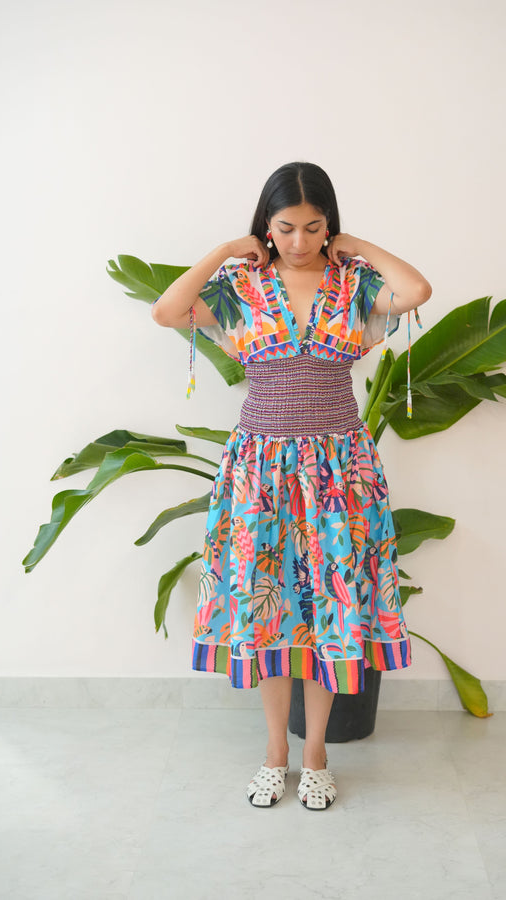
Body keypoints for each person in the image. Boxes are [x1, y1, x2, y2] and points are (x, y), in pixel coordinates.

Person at [152, 161, 431, 810]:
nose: (300, 241)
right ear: (266, 227)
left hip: (339, 474)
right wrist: (225, 249)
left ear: (329, 226)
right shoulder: (241, 287)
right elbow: (167, 311)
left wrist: (357, 247)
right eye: (286, 227)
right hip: (260, 473)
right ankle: (275, 752)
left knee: (328, 613)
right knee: (268, 610)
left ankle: (315, 756)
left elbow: (415, 290)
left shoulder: (354, 286)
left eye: (314, 227)